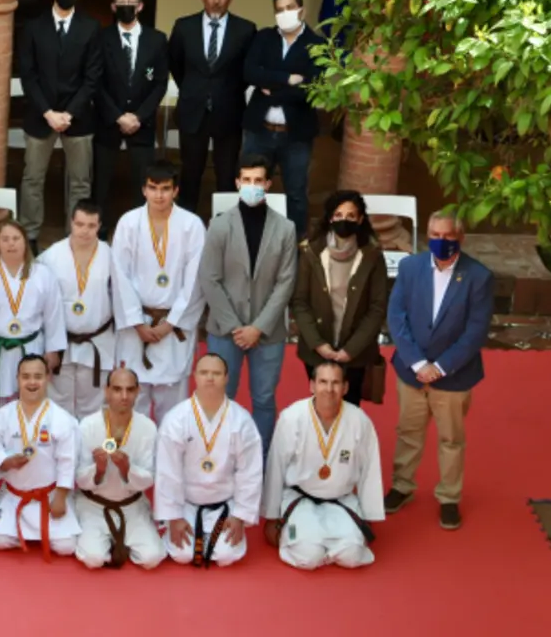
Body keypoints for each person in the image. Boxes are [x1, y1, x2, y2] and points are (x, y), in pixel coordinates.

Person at [384, 210, 494, 530]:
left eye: (447, 236)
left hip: (454, 376)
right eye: (434, 235)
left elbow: (475, 332)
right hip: (412, 371)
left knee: (451, 439)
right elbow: (397, 318)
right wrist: (418, 363)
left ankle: (449, 498)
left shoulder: (479, 276)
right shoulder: (410, 267)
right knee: (408, 433)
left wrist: (440, 367)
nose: (440, 241)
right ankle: (402, 486)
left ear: (460, 238)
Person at [199, 155, 298, 452]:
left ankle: (260, 461)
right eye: (247, 180)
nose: (252, 186)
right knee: (220, 395)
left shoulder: (285, 229)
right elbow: (210, 279)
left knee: (264, 399)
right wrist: (235, 326)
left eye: (258, 180)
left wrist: (258, 327)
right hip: (224, 328)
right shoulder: (219, 226)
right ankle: (218, 459)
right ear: (237, 183)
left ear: (267, 185)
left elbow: (286, 282)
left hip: (268, 333)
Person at [262, 362, 384, 569]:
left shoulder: (359, 420)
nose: (329, 389)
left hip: (342, 498)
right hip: (301, 497)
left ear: (345, 387)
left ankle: (327, 543)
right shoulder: (293, 417)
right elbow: (276, 466)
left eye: (335, 383)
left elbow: (369, 470)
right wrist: (271, 514)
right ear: (312, 385)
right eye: (323, 382)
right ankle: (313, 541)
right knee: (307, 557)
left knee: (353, 555)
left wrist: (369, 514)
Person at [17, 0, 104, 253]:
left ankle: (75, 233)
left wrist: (69, 113)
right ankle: (30, 233)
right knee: (32, 178)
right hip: (41, 116)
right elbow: (28, 74)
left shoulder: (90, 28)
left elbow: (93, 77)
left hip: (77, 119)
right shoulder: (34, 26)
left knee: (80, 181)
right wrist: (48, 113)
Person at [112, 162, 207, 419]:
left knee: (174, 411)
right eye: (153, 188)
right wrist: (136, 321)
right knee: (133, 403)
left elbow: (195, 281)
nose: (159, 195)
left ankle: (171, 459)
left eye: (165, 189)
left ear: (176, 191)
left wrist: (170, 323)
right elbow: (120, 277)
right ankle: (135, 458)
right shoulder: (128, 223)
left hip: (173, 328)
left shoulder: (192, 225)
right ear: (144, 190)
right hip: (137, 328)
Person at [155, 353, 262, 568]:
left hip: (224, 503)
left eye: (216, 373)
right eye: (204, 372)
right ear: (195, 376)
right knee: (182, 554)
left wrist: (240, 515)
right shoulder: (176, 419)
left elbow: (249, 471)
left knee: (226, 556)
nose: (210, 378)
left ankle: (217, 531)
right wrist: (173, 517)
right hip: (186, 503)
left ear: (226, 378)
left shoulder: (241, 420)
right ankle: (183, 527)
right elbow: (168, 471)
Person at [0, 219, 67, 425]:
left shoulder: (43, 275)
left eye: (16, 238)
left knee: (29, 400)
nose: (11, 244)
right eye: (5, 239)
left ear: (25, 242)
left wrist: (53, 349)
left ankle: (27, 446)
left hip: (30, 348)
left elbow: (53, 313)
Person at [169, 0, 257, 215]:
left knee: (227, 174)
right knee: (190, 171)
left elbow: (248, 71)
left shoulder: (246, 30)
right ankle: (187, 223)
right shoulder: (183, 27)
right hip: (192, 111)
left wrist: (225, 91)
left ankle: (225, 225)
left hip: (229, 112)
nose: (217, 0)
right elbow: (176, 65)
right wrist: (194, 90)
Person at [291, 190, 388, 405]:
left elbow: (377, 308)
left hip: (355, 353)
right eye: (338, 215)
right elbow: (299, 302)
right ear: (329, 218)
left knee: (350, 408)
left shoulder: (372, 256)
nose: (344, 220)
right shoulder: (310, 252)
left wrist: (350, 350)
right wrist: (318, 345)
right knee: (320, 406)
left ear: (360, 219)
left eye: (351, 216)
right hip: (317, 349)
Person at [242, 0, 325, 239]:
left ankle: (296, 241)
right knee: (251, 188)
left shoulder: (317, 44)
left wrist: (272, 88)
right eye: (279, 10)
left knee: (296, 193)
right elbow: (249, 72)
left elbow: (311, 89)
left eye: (290, 8)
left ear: (302, 10)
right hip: (260, 129)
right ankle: (250, 234)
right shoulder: (264, 37)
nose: (285, 13)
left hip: (295, 135)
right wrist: (288, 78)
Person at [0, 355, 81, 560]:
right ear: (17, 379)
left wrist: (60, 498)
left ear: (48, 379)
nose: (32, 382)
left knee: (66, 547)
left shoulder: (62, 419)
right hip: (15, 495)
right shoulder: (2, 416)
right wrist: (5, 461)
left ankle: (60, 514)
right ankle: (22, 531)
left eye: (38, 376)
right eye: (26, 376)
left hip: (49, 496)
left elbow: (67, 461)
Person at [92, 0, 168, 237]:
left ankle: (139, 233)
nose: (126, 8)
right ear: (113, 7)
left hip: (141, 123)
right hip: (108, 121)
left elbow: (159, 84)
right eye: (121, 3)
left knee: (142, 183)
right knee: (101, 182)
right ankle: (100, 232)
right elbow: (96, 82)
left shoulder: (157, 40)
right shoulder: (101, 38)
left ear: (140, 6)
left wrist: (138, 116)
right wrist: (116, 115)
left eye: (131, 3)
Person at [74, 366, 164, 570]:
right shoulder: (88, 425)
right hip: (93, 505)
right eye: (117, 389)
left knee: (152, 558)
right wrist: (99, 469)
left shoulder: (148, 427)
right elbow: (79, 478)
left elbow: (149, 477)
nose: (124, 396)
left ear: (138, 391)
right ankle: (102, 537)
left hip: (131, 504)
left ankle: (118, 537)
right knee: (93, 559)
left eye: (130, 390)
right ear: (106, 391)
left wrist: (126, 469)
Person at [39, 200, 120, 419]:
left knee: (93, 408)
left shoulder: (112, 256)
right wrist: (49, 344)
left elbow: (122, 301)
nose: (84, 231)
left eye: (91, 226)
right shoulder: (50, 257)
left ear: (99, 226)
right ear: (71, 223)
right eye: (80, 224)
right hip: (60, 343)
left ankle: (88, 452)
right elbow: (41, 303)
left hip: (98, 341)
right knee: (57, 406)